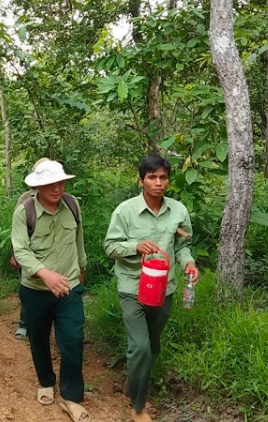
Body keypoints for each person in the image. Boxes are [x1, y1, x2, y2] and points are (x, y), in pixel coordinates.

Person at [103, 155, 199, 422]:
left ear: (168, 180)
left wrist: (189, 263)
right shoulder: (125, 211)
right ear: (141, 180)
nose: (158, 183)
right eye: (152, 177)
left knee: (152, 347)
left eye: (163, 177)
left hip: (163, 289)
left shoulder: (178, 211)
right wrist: (135, 246)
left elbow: (182, 246)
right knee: (140, 347)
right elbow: (110, 246)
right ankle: (138, 408)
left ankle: (131, 386)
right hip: (132, 288)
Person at [11, 160, 90, 422]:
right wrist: (44, 273)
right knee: (39, 338)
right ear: (38, 185)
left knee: (73, 339)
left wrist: (82, 266)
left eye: (61, 182)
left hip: (69, 286)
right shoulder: (25, 211)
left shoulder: (72, 204)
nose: (57, 188)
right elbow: (21, 250)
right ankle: (46, 380)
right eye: (50, 184)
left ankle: (71, 395)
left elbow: (79, 238)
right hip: (35, 289)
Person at [9, 157, 51, 340]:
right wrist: (15, 254)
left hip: (52, 253)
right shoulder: (25, 199)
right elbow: (16, 230)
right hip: (28, 252)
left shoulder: (62, 199)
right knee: (27, 288)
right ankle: (24, 323)